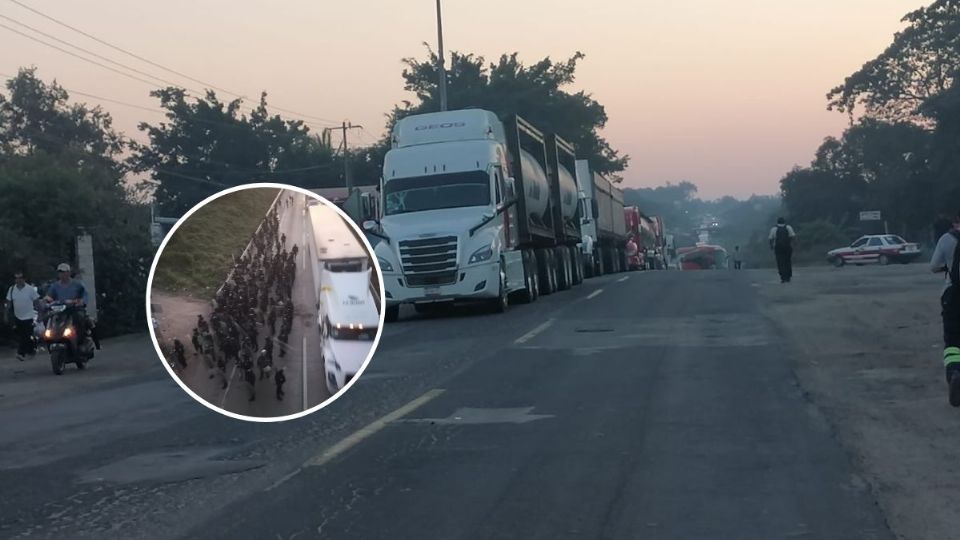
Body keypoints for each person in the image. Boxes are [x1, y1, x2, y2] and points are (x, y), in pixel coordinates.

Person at [930, 210, 960, 406]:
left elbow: (933, 266)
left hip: (952, 294)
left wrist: (947, 268)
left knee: (952, 339)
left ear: (955, 222)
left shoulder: (946, 239)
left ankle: (955, 372)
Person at [43, 263, 100, 350]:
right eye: (60, 272)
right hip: (60, 311)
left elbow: (84, 295)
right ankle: (52, 341)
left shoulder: (77, 284)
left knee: (80, 319)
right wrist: (45, 301)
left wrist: (81, 302)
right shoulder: (55, 286)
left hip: (75, 309)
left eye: (64, 272)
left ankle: (81, 341)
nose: (62, 274)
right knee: (48, 319)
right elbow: (49, 296)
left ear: (69, 273)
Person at [5, 271, 40, 361]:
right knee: (23, 335)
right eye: (16, 278)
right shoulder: (12, 289)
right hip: (18, 316)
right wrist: (6, 314)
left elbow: (36, 302)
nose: (18, 280)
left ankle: (20, 353)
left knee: (26, 334)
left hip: (29, 316)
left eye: (20, 278)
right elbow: (8, 303)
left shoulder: (30, 289)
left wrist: (39, 313)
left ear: (24, 279)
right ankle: (31, 349)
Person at [769, 218, 796, 283]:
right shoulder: (788, 227)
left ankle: (783, 277)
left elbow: (770, 238)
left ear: (777, 222)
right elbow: (793, 236)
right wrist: (793, 244)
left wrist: (771, 246)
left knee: (780, 262)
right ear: (784, 221)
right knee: (787, 261)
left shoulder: (774, 229)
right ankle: (788, 276)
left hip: (778, 248)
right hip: (787, 247)